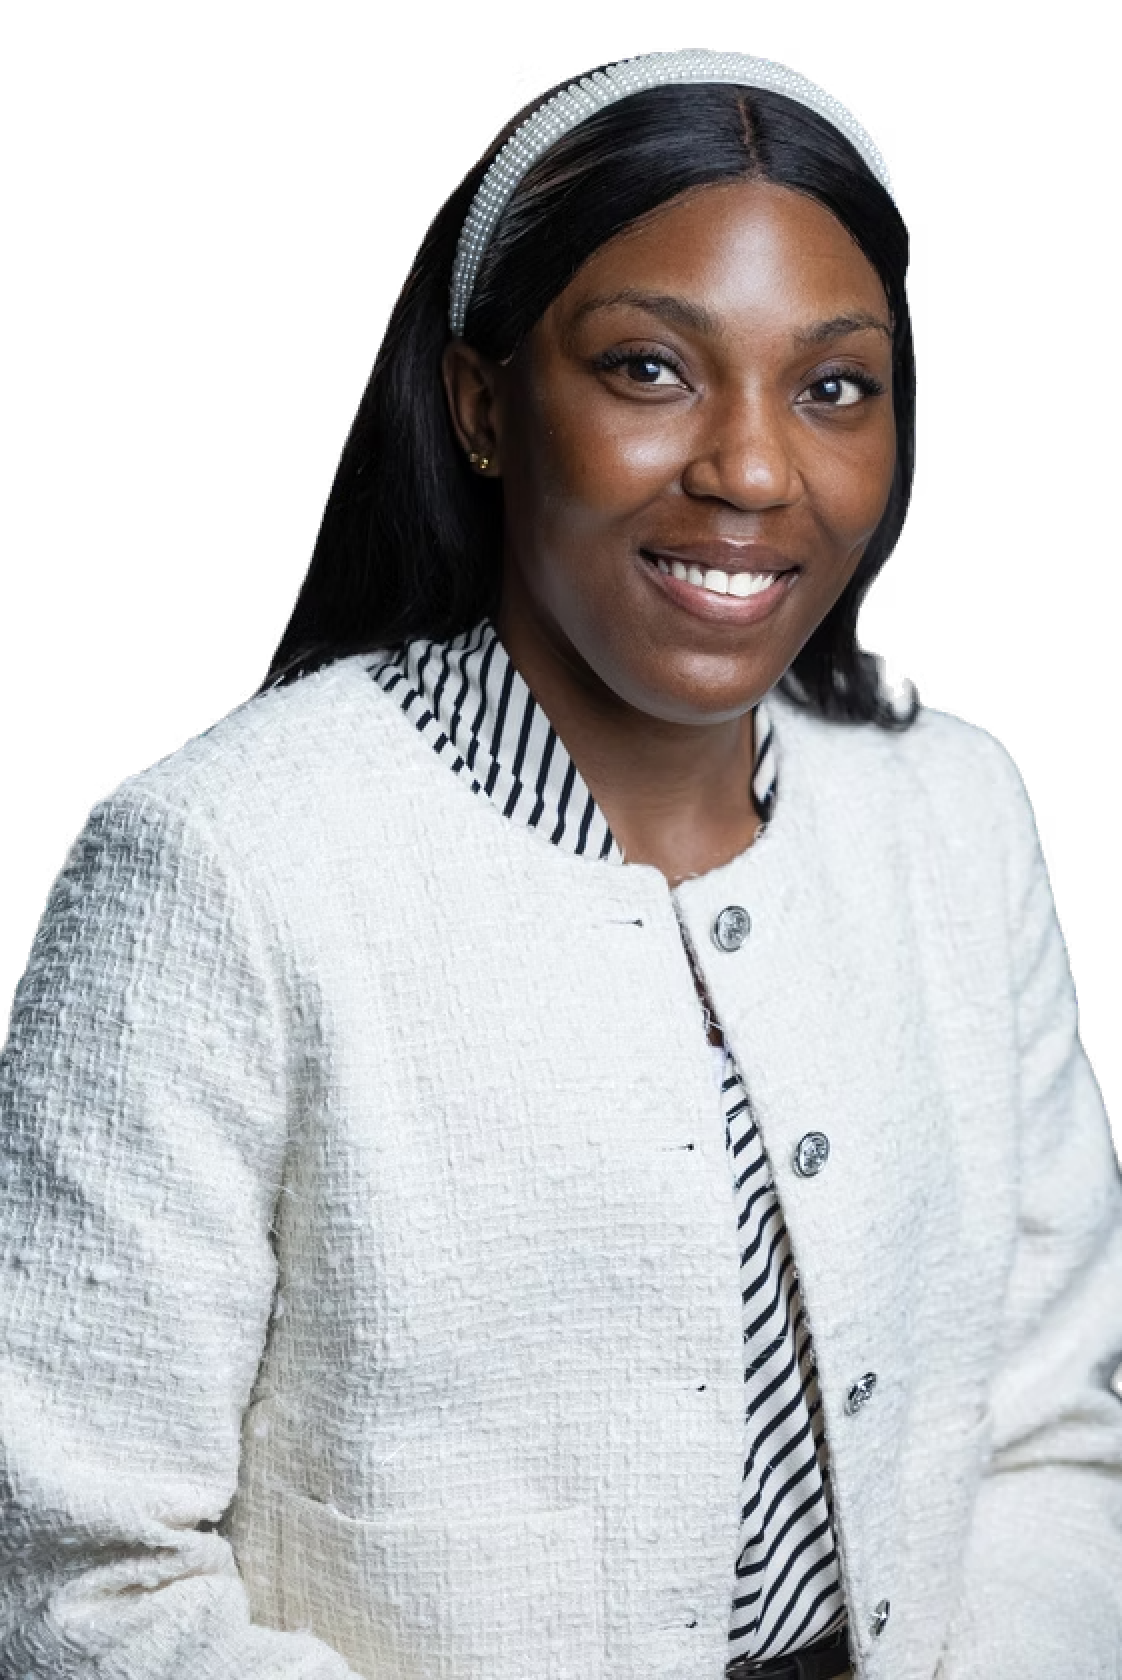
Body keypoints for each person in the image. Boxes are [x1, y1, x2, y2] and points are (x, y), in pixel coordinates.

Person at [0, 44, 1119, 1680]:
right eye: (650, 369)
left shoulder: (952, 816)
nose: (750, 469)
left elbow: (1048, 1427)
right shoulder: (221, 875)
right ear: (480, 405)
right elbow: (76, 1577)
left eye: (833, 387)